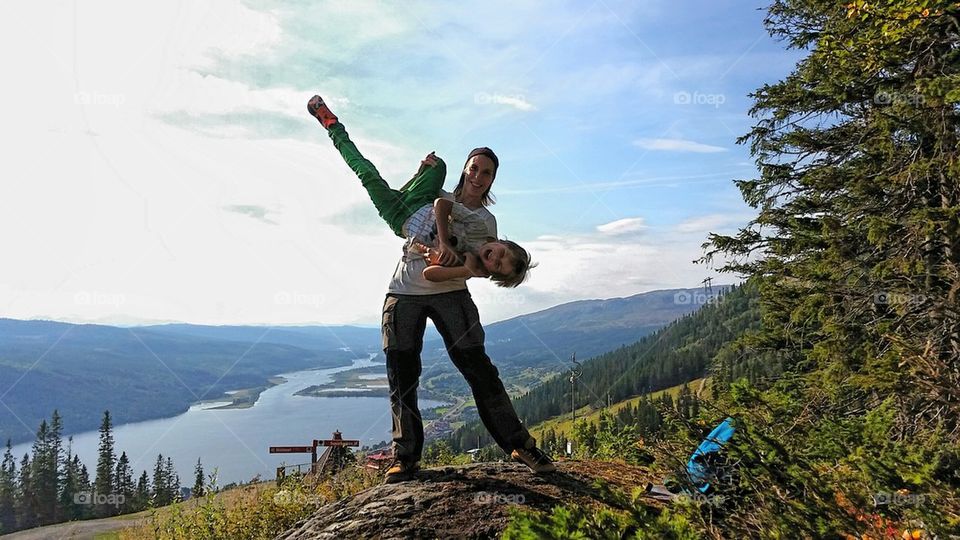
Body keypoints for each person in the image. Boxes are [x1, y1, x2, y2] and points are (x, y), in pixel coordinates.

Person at [307, 95, 556, 482]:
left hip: (450, 291)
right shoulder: (437, 194)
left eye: (487, 173)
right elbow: (422, 210)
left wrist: (450, 261)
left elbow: (474, 265)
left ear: (492, 180)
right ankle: (405, 457)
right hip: (404, 288)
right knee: (401, 373)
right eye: (475, 168)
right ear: (466, 168)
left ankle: (520, 446)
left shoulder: (487, 222)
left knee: (479, 369)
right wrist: (424, 179)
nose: (478, 176)